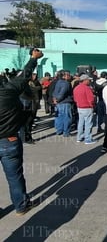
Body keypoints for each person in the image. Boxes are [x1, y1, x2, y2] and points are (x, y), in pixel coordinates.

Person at [0, 48, 44, 215]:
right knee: (15, 177)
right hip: (8, 140)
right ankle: (21, 206)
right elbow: (25, 75)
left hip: (8, 140)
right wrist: (33, 58)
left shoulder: (8, 90)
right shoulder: (8, 91)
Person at [73, 74, 96, 144]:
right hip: (87, 107)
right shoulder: (87, 88)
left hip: (79, 107)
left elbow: (75, 99)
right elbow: (91, 99)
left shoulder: (76, 88)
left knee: (80, 123)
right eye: (89, 80)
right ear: (85, 80)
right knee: (88, 124)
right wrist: (92, 105)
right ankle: (88, 139)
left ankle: (79, 137)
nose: (90, 81)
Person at [52, 70, 73, 137]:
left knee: (59, 116)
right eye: (68, 75)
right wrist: (58, 99)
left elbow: (55, 92)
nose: (70, 76)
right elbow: (62, 93)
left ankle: (59, 130)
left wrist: (55, 99)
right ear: (64, 76)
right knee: (67, 117)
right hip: (65, 102)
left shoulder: (58, 82)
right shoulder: (66, 83)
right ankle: (66, 132)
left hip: (58, 102)